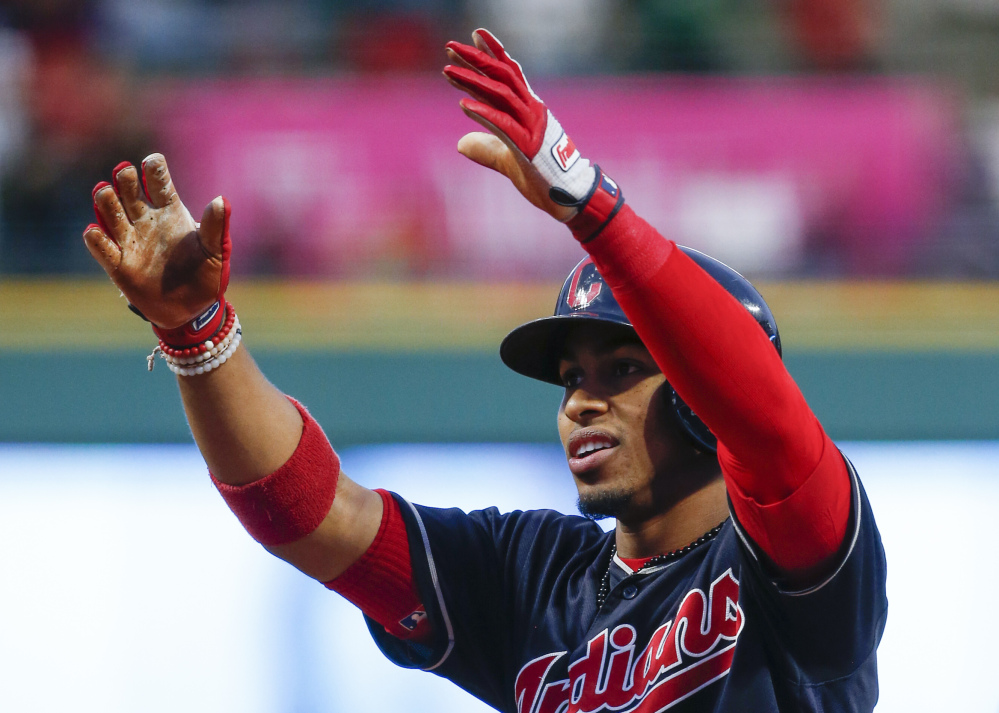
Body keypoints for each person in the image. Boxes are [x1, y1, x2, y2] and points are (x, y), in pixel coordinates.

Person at [82, 28, 887, 713]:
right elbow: (312, 516)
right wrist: (194, 332)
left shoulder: (795, 561)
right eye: (572, 377)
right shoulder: (532, 575)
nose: (580, 402)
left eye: (620, 369)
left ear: (698, 400)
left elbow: (765, 419)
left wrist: (590, 203)